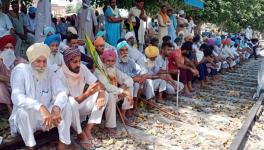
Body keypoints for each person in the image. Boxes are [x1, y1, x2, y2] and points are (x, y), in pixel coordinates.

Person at [9, 43, 72, 150]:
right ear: (31, 60)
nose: (42, 65)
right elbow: (16, 97)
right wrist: (40, 107)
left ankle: (62, 145)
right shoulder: (21, 71)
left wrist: (56, 107)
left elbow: (62, 91)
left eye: (44, 61)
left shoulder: (49, 72)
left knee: (68, 104)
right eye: (38, 61)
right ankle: (30, 147)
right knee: (22, 111)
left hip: (48, 118)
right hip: (30, 120)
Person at [56, 47, 107, 149]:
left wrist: (101, 94)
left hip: (81, 104)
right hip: (67, 110)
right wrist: (87, 94)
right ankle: (81, 135)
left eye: (79, 61)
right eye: (75, 62)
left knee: (106, 95)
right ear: (66, 62)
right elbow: (66, 101)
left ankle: (88, 130)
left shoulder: (82, 68)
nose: (78, 64)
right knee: (70, 102)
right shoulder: (59, 74)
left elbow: (98, 84)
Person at [94, 50, 134, 137]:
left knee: (129, 86)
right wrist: (121, 91)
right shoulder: (99, 71)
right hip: (103, 96)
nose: (110, 63)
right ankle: (110, 127)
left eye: (112, 61)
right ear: (103, 60)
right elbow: (106, 86)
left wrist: (123, 87)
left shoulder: (114, 69)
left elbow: (129, 79)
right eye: (108, 61)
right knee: (111, 96)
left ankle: (123, 115)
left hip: (116, 92)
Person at [116, 40, 145, 113]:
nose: (124, 52)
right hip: (120, 84)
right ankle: (125, 113)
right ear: (118, 51)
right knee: (130, 85)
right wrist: (133, 79)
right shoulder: (115, 62)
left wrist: (141, 77)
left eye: (126, 50)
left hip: (130, 81)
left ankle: (133, 107)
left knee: (138, 84)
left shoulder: (130, 60)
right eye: (122, 50)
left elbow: (139, 70)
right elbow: (119, 79)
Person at [0, 35, 27, 113]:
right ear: (2, 49)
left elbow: (28, 70)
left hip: (18, 87)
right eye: (6, 47)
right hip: (5, 88)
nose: (9, 50)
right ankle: (9, 108)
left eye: (11, 48)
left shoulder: (19, 60)